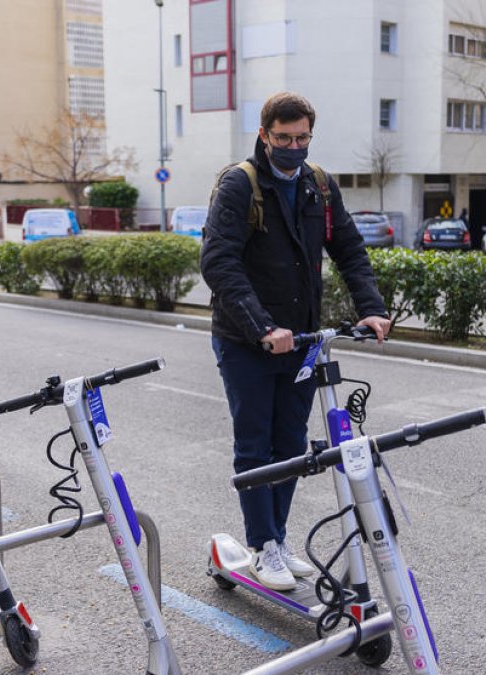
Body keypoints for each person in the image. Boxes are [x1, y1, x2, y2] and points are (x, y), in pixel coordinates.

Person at [200, 92, 391, 592]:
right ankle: (262, 546)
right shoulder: (240, 184)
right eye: (283, 139)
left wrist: (370, 306)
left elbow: (348, 247)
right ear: (264, 135)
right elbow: (218, 262)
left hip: (301, 341)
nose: (293, 147)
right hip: (246, 340)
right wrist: (262, 327)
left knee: (290, 445)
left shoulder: (318, 186)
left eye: (302, 138)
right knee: (255, 445)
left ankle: (277, 543)